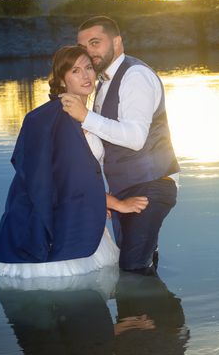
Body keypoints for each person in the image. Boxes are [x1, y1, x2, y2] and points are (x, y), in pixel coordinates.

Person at [0, 45, 148, 278]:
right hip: (56, 229)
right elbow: (65, 181)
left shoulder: (85, 115)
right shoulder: (53, 120)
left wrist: (97, 204)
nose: (85, 75)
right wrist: (116, 204)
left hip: (80, 212)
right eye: (75, 71)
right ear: (62, 80)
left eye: (89, 68)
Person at [60, 16, 179, 274]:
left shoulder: (135, 76)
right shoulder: (102, 83)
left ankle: (149, 311)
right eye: (83, 45)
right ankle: (152, 311)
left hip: (152, 184)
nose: (88, 52)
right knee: (133, 263)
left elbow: (135, 138)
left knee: (132, 266)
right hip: (123, 190)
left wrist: (85, 116)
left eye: (95, 43)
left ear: (117, 41)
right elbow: (103, 147)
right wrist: (104, 199)